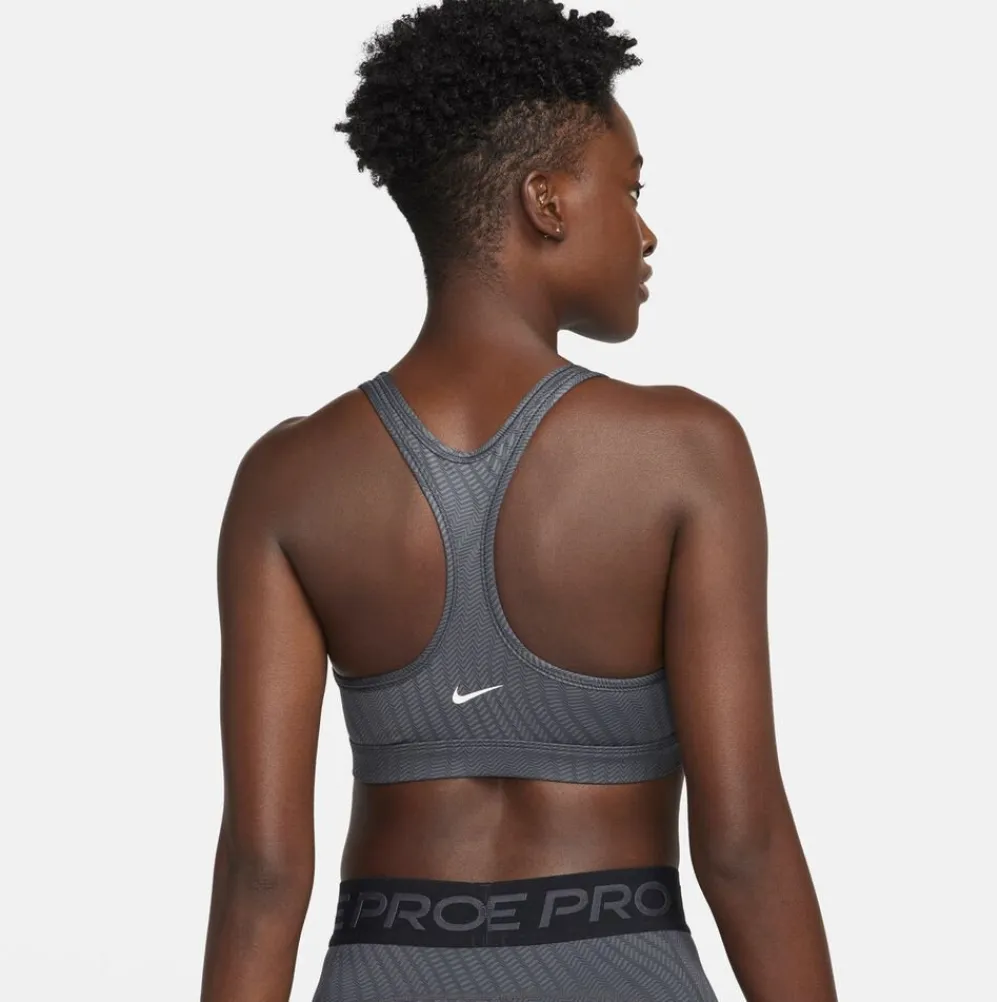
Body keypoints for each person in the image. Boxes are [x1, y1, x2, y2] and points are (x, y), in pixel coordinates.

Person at [200, 2, 838, 1000]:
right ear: (544, 201)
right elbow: (744, 847)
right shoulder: (684, 453)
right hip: (621, 965)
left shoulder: (288, 480)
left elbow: (263, 873)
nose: (646, 230)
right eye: (629, 189)